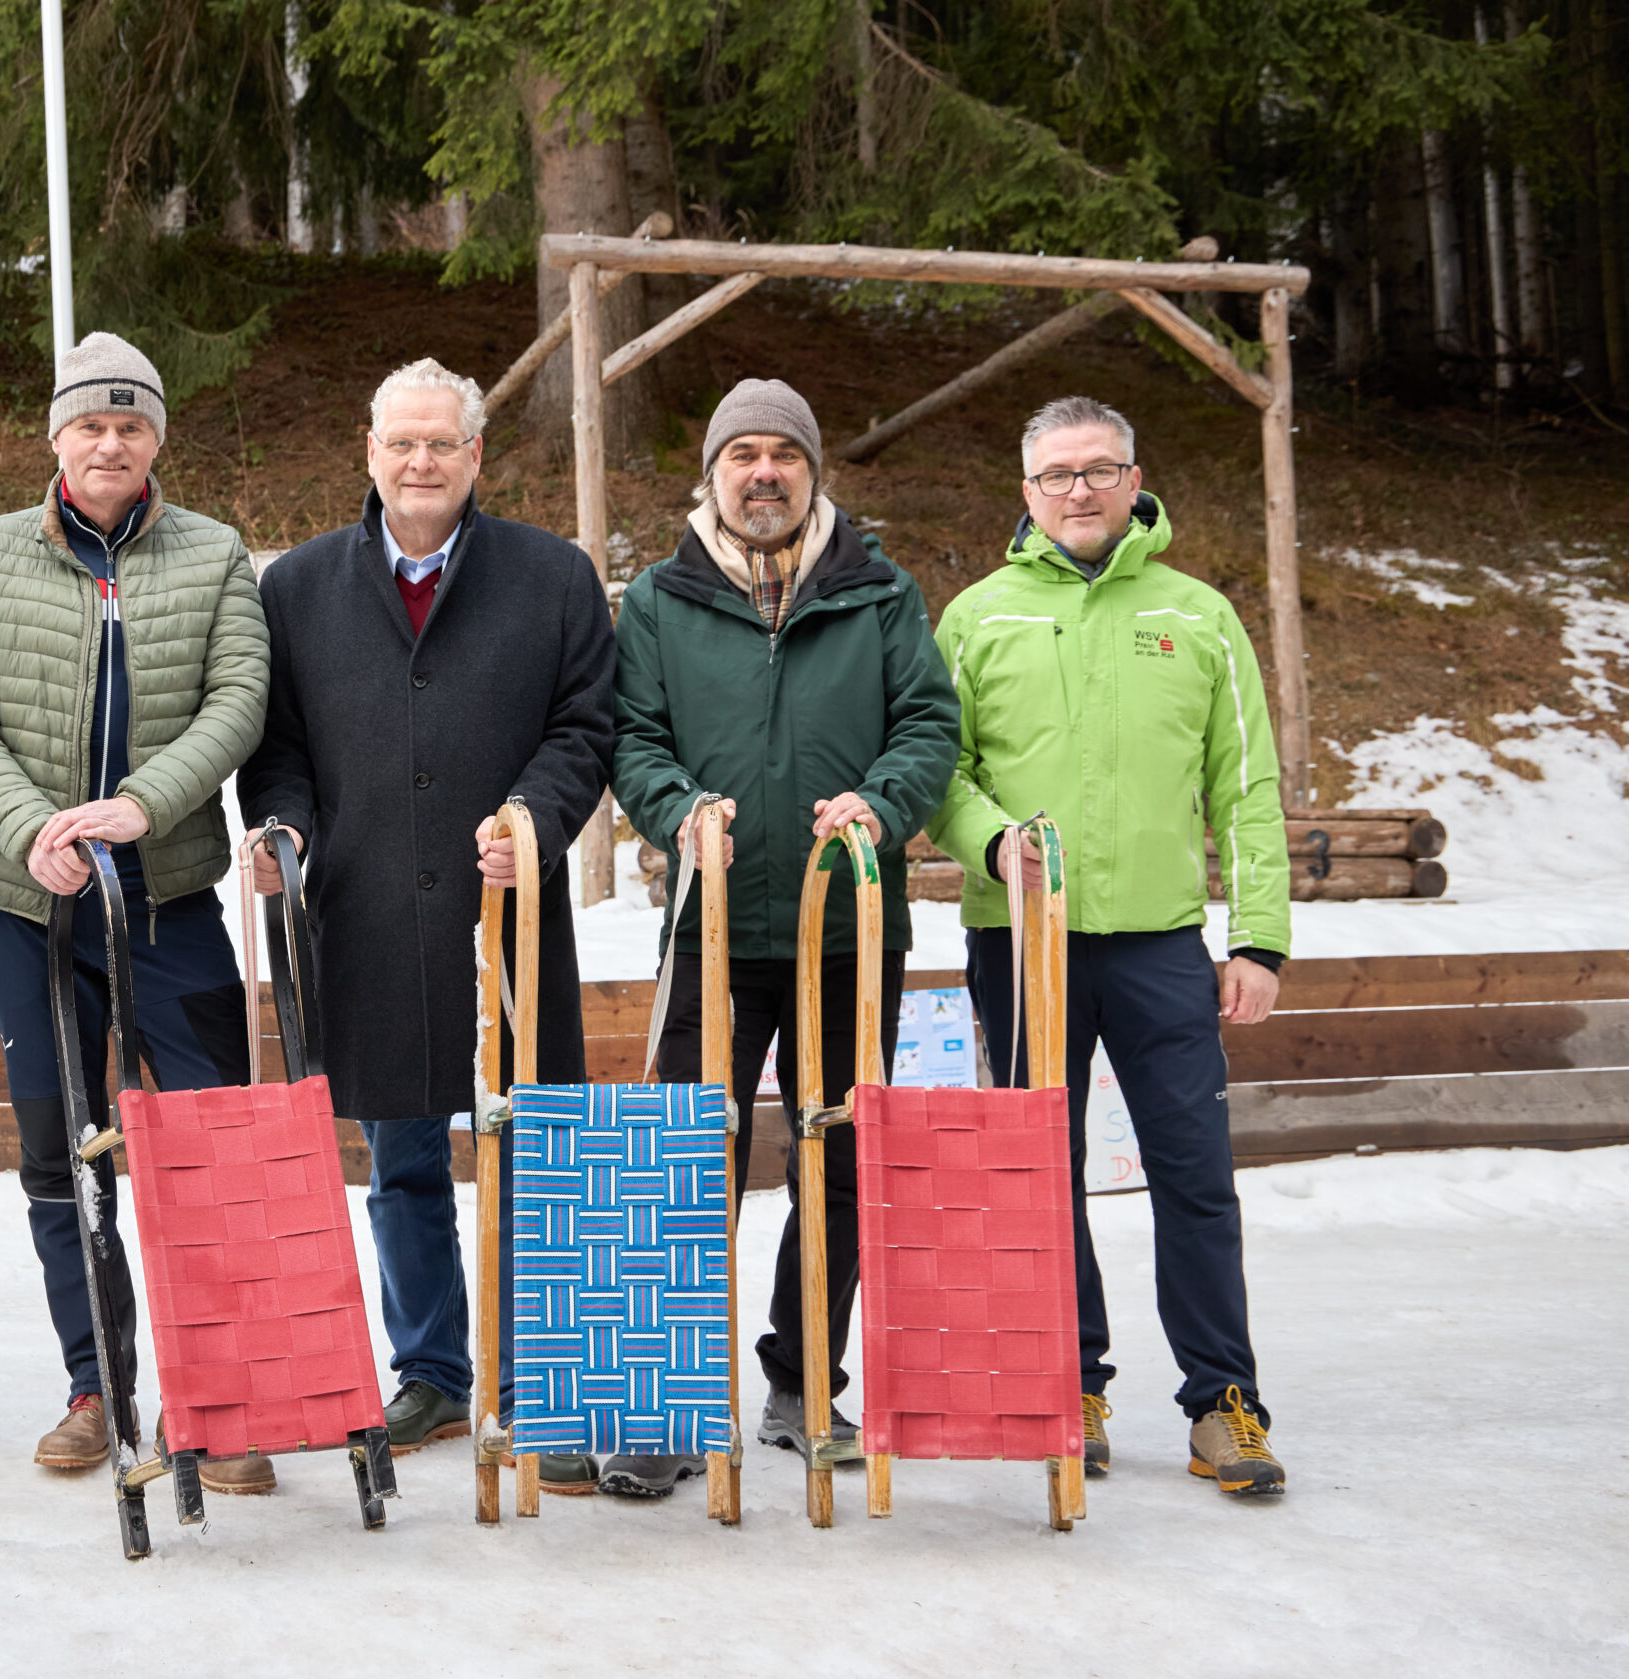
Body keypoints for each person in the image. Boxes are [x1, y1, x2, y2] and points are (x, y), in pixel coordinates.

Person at [240, 357, 618, 1492]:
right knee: (400, 1155)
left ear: (475, 456)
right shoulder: (297, 587)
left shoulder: (553, 577)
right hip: (361, 909)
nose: (419, 462)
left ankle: (543, 1386)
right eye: (400, 442)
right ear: (370, 453)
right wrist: (283, 829)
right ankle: (437, 1372)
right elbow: (279, 747)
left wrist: (534, 819)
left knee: (534, 1151)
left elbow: (585, 727)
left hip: (504, 910)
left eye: (440, 443)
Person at [0, 332, 275, 1493]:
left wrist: (141, 805)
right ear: (58, 438)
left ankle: (215, 1397)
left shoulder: (213, 552)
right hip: (33, 904)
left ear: (155, 439)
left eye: (131, 425)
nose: (110, 443)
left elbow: (239, 698)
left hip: (169, 894)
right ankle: (96, 1387)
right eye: (91, 424)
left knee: (207, 1143)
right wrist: (33, 825)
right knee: (61, 1147)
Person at [929, 395, 1291, 1496]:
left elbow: (1245, 787)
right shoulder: (977, 617)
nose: (1077, 489)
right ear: (1026, 492)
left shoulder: (1198, 617)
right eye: (1056, 474)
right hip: (1020, 943)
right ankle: (1065, 1385)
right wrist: (991, 844)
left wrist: (1259, 939)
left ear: (1135, 481)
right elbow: (938, 769)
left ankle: (1222, 1403)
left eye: (1098, 469)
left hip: (1159, 946)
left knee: (1195, 1174)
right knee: (1035, 1176)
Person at [605, 379, 959, 1500]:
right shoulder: (659, 599)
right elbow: (634, 736)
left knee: (838, 1164)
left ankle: (804, 1382)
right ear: (711, 471)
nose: (764, 472)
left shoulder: (878, 592)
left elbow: (927, 723)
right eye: (743, 453)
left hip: (845, 928)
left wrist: (881, 804)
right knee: (682, 1163)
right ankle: (663, 1404)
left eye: (785, 454)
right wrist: (677, 810)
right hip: (710, 929)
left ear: (813, 471)